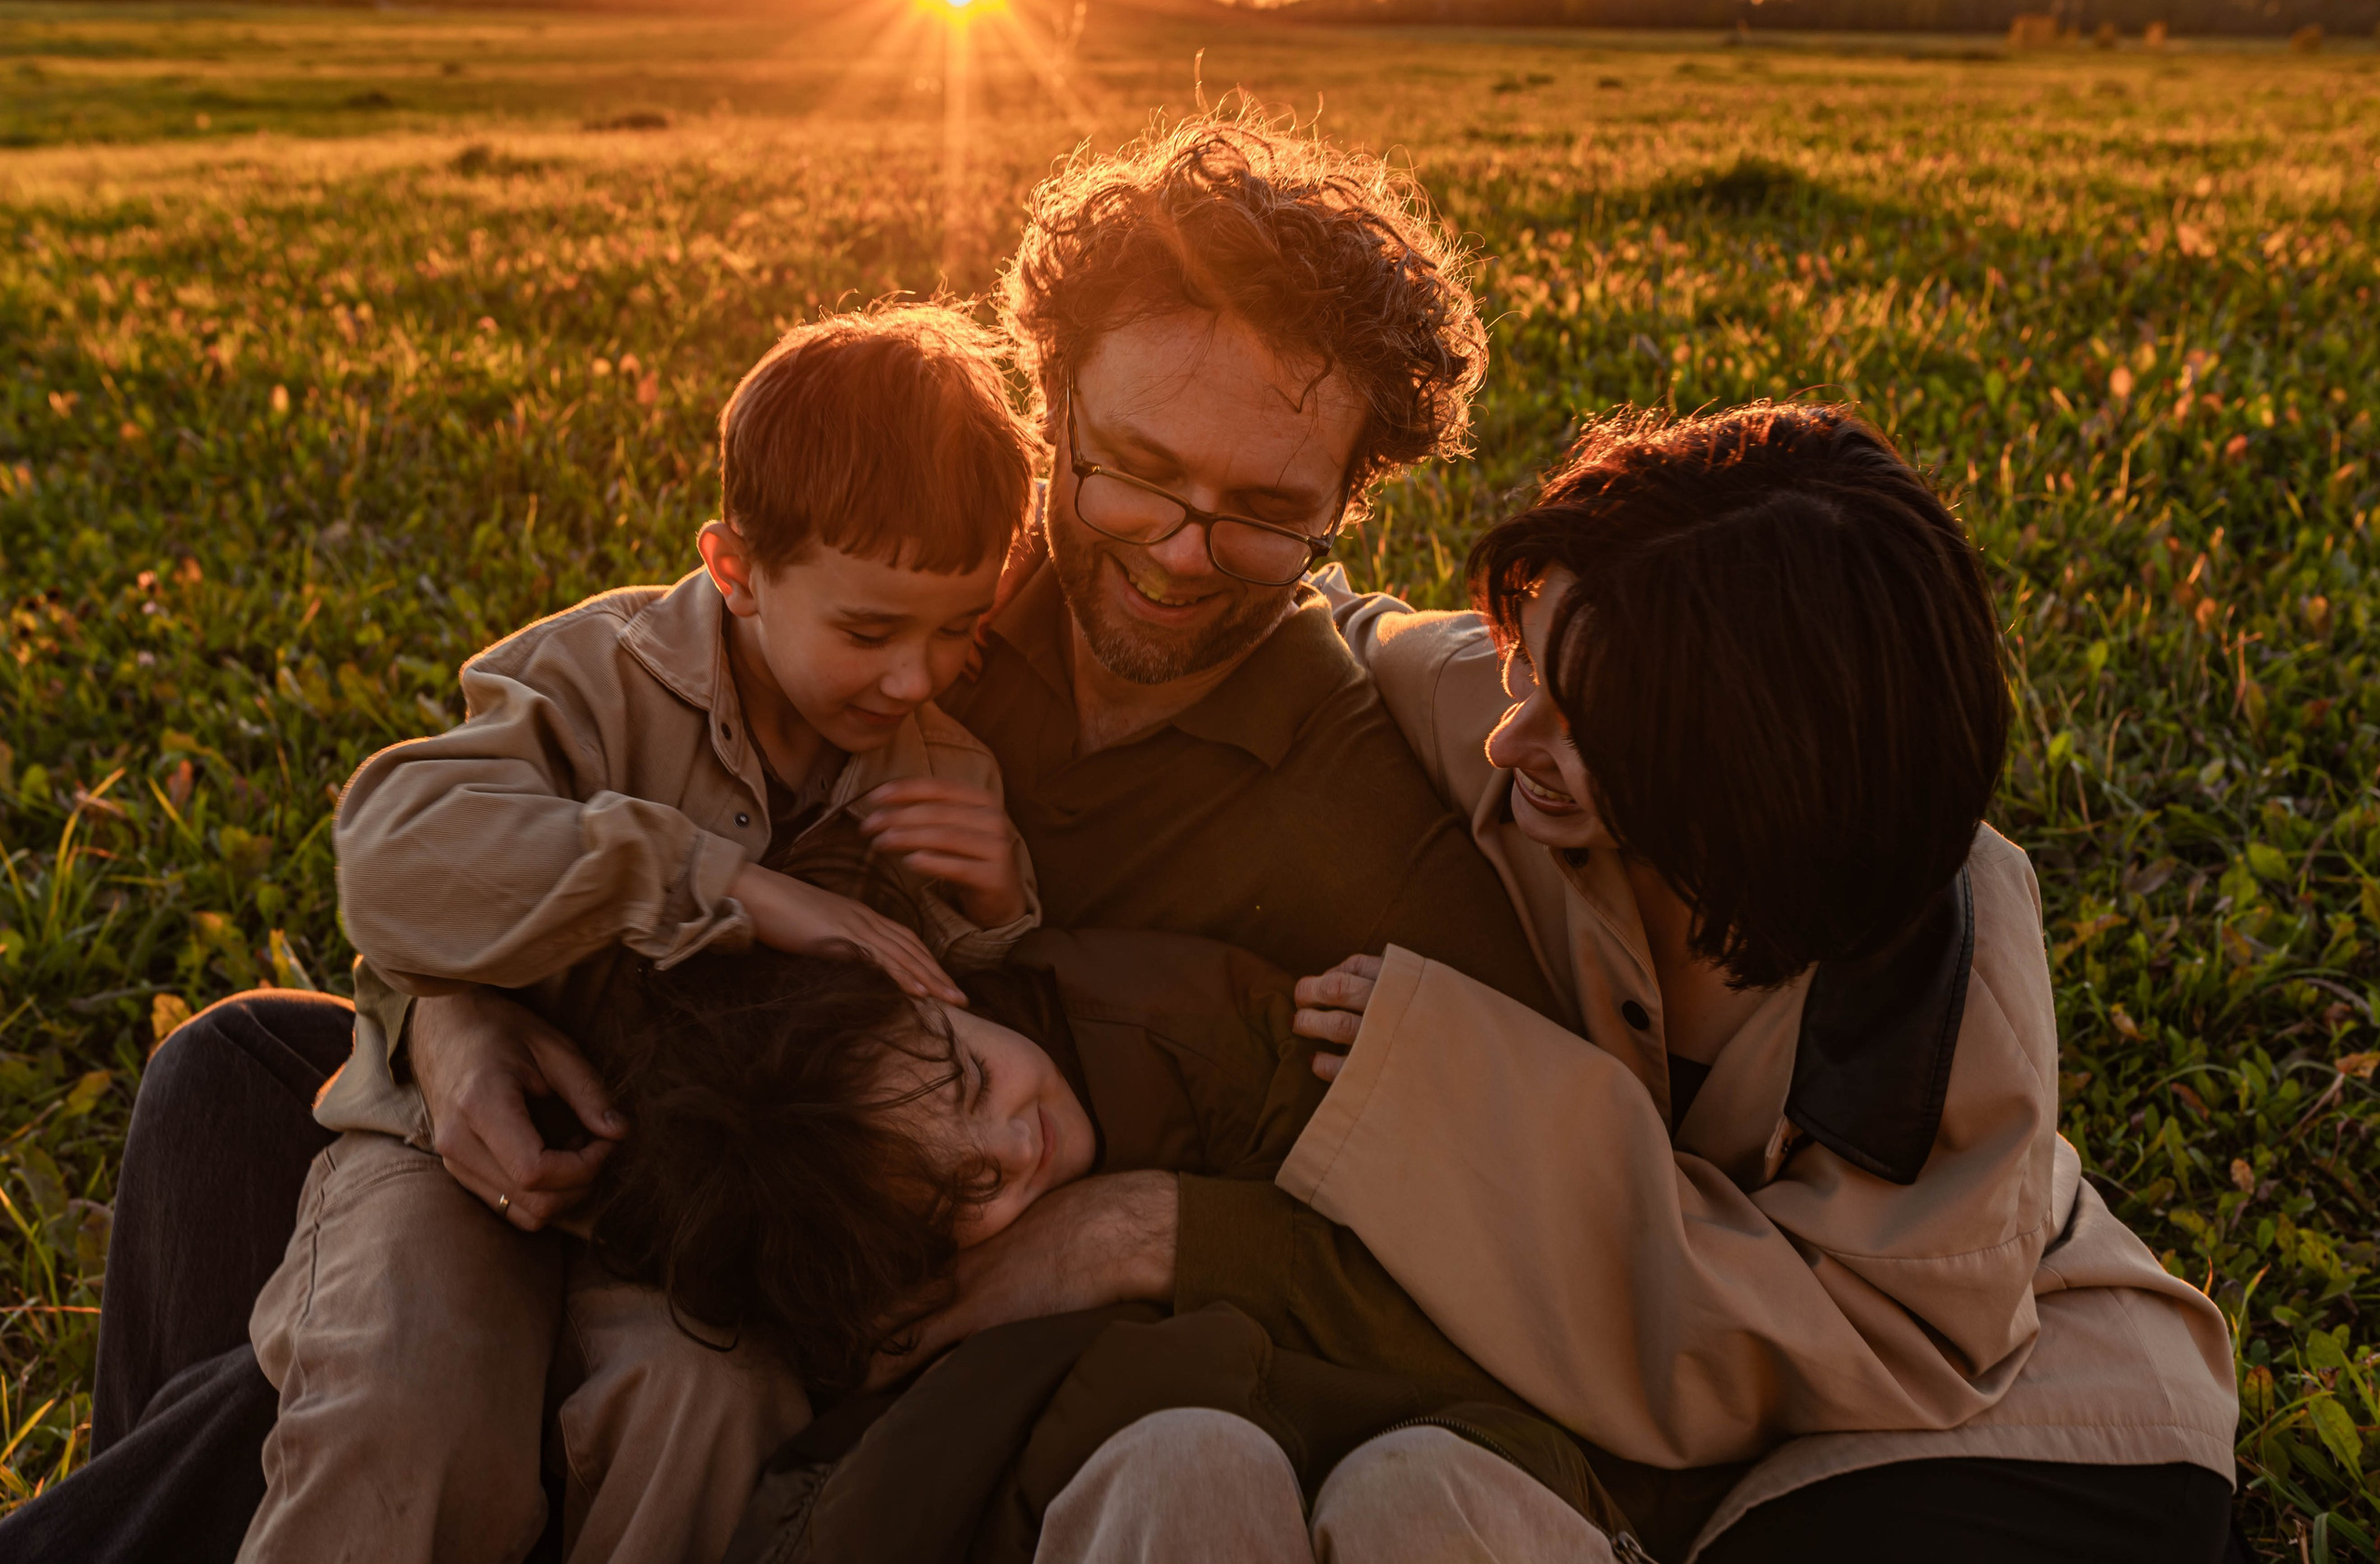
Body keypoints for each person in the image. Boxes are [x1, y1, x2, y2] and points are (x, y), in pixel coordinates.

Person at [21, 111, 1566, 1563]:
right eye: (1135, 472)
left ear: (1351, 500)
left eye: (1260, 513)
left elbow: (1527, 1258)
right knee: (236, 1079)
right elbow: (572, 793)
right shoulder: (932, 593)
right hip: (641, 1140)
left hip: (861, 1311)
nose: (1176, 552)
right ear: (1052, 418)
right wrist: (451, 1014)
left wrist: (1144, 1232)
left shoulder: (1375, 827)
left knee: (422, 1354)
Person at [1041, 403, 2236, 1562]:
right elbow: (1336, 625)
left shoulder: (1935, 960)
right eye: (1525, 668)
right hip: (1667, 1442)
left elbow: (1841, 1350)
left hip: (2007, 1433)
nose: (1512, 742)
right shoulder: (1524, 711)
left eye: (1583, 727)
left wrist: (1465, 1093)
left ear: (1751, 766)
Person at [239, 301, 1047, 1564]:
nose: (915, 678)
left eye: (959, 628)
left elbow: (936, 1028)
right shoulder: (598, 673)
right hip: (445, 1152)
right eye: (869, 630)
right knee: (408, 1399)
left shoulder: (943, 771)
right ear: (733, 568)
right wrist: (720, 879)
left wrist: (995, 910)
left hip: (696, 1220)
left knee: (715, 1410)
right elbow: (392, 860)